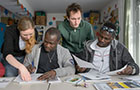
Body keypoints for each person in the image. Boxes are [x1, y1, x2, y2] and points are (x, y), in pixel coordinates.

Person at [1, 17, 37, 81]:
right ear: (19, 30)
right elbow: (7, 54)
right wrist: (21, 67)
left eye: (30, 34)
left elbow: (29, 52)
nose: (28, 37)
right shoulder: (10, 31)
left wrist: (27, 65)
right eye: (25, 35)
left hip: (23, 56)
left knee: (22, 77)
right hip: (10, 57)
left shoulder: (35, 32)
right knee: (11, 75)